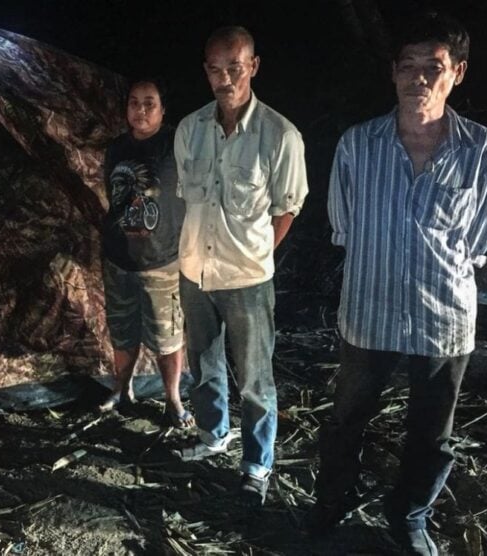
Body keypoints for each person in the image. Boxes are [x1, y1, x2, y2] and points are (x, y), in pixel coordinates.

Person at [307, 12, 487, 555]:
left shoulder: (482, 150)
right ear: (393, 72)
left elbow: (477, 239)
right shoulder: (357, 145)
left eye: (433, 67)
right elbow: (344, 224)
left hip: (443, 318)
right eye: (408, 65)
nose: (418, 77)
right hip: (368, 310)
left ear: (457, 72)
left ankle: (410, 514)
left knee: (431, 433)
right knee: (346, 418)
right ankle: (333, 502)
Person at [173, 26, 308, 508]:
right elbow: (187, 198)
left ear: (253, 66)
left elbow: (287, 208)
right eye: (215, 69)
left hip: (248, 279)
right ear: (206, 72)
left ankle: (256, 463)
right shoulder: (190, 129)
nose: (225, 79)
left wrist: (256, 254)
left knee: (254, 378)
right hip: (194, 272)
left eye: (234, 67)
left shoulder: (280, 135)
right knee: (204, 364)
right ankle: (213, 434)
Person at [98, 79, 193, 428]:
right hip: (118, 259)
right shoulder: (116, 148)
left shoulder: (176, 145)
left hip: (162, 261)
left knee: (167, 338)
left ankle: (172, 399)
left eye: (149, 103)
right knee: (122, 333)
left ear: (163, 109)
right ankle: (122, 389)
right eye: (134, 103)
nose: (140, 110)